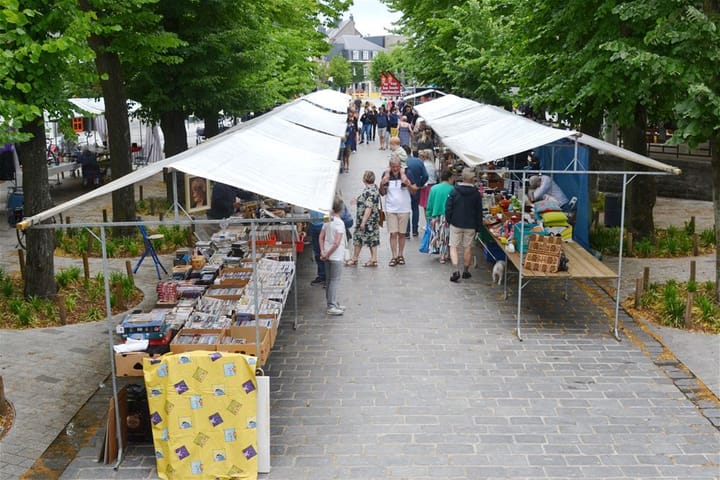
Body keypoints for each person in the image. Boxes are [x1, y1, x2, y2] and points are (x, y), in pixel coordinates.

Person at [445, 167, 483, 282]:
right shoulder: (476, 194)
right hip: (470, 224)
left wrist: (449, 220)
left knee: (453, 246)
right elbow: (479, 211)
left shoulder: (454, 191)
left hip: (456, 222)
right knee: (468, 247)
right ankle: (466, 271)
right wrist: (478, 226)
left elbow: (448, 208)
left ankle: (456, 270)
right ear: (472, 179)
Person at [379, 154, 418, 267]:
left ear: (400, 165)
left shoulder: (408, 173)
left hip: (404, 208)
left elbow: (414, 191)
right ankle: (394, 256)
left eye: (397, 166)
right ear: (390, 166)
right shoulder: (386, 174)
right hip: (391, 208)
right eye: (393, 167)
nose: (395, 169)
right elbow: (382, 193)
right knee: (393, 233)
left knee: (402, 234)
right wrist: (382, 183)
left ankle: (401, 255)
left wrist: (408, 184)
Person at [346, 170, 381, 267]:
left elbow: (368, 208)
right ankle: (371, 258)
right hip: (372, 220)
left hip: (367, 221)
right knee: (370, 239)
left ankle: (356, 258)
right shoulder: (373, 188)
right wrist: (358, 200)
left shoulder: (369, 191)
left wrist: (363, 222)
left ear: (364, 179)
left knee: (361, 238)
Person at [319, 196, 347, 316]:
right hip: (335, 256)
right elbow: (336, 243)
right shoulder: (340, 223)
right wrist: (328, 253)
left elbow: (321, 236)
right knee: (334, 280)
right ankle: (331, 305)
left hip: (326, 254)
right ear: (341, 209)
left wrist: (323, 252)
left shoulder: (327, 220)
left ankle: (332, 302)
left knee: (329, 280)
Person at [425, 169, 455, 263]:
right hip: (447, 215)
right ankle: (445, 255)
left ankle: (442, 254)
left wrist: (428, 214)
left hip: (435, 215)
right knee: (447, 236)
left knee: (438, 235)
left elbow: (429, 203)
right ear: (450, 178)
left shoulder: (434, 188)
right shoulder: (452, 189)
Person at [404, 150, 429, 238]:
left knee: (406, 209)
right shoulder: (419, 162)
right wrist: (420, 184)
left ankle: (406, 231)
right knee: (415, 209)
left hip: (405, 189)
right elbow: (426, 176)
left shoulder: (404, 162)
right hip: (416, 188)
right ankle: (415, 230)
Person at [308, 210, 326, 286]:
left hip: (323, 223)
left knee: (325, 252)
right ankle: (322, 275)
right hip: (314, 223)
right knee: (317, 252)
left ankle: (327, 277)